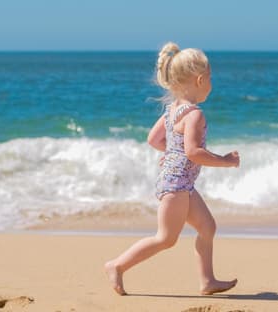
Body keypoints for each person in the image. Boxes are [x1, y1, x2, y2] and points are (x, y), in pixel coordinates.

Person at [105, 42, 240, 296]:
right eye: (210, 78)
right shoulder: (194, 115)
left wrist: (170, 152)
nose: (211, 83)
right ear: (200, 79)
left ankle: (207, 281)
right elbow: (193, 152)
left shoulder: (172, 111)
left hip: (181, 184)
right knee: (165, 239)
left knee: (207, 227)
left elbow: (154, 140)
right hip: (177, 186)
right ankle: (117, 265)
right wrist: (225, 160)